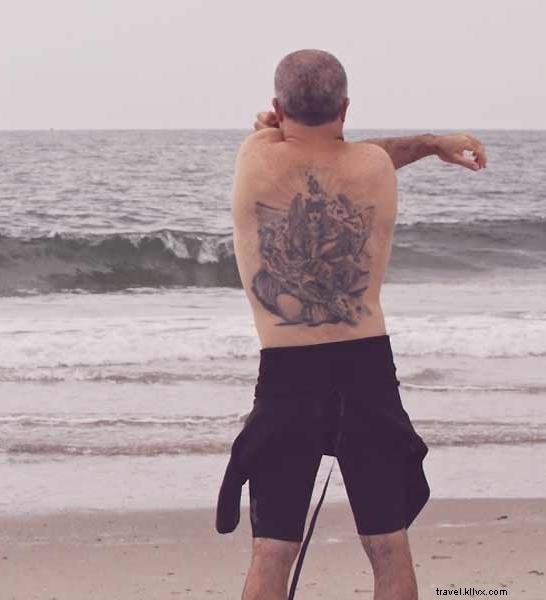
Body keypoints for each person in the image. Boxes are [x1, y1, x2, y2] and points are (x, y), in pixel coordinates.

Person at [216, 49, 487, 600]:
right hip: (366, 366)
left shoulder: (254, 157)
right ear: (345, 107)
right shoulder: (374, 167)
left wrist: (270, 126)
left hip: (287, 371)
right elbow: (363, 153)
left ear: (276, 107)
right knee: (388, 544)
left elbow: (296, 141)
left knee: (273, 548)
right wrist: (435, 144)